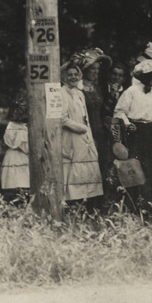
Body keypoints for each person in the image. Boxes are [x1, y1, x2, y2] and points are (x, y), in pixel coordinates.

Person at [114, 59, 152, 211]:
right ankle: (136, 205)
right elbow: (119, 112)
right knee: (137, 167)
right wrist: (127, 124)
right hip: (135, 132)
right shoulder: (131, 91)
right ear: (147, 76)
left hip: (150, 133)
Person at [60, 63, 104, 204]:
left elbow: (86, 117)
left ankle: (87, 203)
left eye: (75, 74)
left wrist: (88, 134)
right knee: (74, 169)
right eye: (70, 75)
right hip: (71, 136)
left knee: (88, 167)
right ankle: (73, 203)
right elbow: (62, 118)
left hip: (85, 136)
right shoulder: (61, 93)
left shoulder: (79, 93)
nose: (73, 77)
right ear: (64, 77)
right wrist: (80, 128)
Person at [73, 48, 112, 181]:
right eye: (92, 69)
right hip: (85, 132)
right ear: (84, 70)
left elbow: (103, 111)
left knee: (102, 167)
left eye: (97, 69)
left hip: (100, 132)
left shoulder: (98, 89)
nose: (96, 72)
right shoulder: (77, 89)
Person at [0, 96, 30, 200]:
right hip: (19, 156)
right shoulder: (20, 128)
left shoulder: (12, 125)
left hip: (12, 156)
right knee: (20, 183)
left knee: (19, 185)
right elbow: (25, 147)